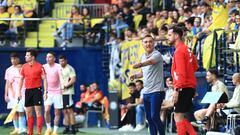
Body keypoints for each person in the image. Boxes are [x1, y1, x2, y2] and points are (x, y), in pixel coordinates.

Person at [130, 34, 165, 135]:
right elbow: (142, 73)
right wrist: (135, 76)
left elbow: (151, 62)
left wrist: (140, 64)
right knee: (149, 118)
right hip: (146, 92)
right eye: (145, 42)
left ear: (154, 43)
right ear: (142, 44)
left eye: (150, 41)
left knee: (154, 116)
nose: (148, 44)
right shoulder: (142, 56)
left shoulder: (157, 54)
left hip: (157, 91)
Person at [167, 25, 198, 135]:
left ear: (176, 36)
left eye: (170, 35)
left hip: (183, 87)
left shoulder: (179, 51)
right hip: (188, 86)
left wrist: (176, 89)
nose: (168, 37)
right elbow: (195, 66)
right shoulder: (187, 49)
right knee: (179, 116)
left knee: (178, 116)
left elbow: (181, 73)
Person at [17, 49, 47, 135]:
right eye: (26, 55)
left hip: (37, 90)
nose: (25, 57)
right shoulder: (24, 66)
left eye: (27, 55)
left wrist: (45, 92)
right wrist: (19, 92)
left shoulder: (40, 67)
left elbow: (44, 79)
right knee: (28, 112)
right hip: (28, 91)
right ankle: (30, 133)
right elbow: (21, 79)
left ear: (32, 57)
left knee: (38, 112)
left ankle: (39, 132)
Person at [5, 53, 26, 135]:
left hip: (22, 94)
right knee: (13, 112)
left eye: (15, 59)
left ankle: (23, 129)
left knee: (21, 111)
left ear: (18, 59)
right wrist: (6, 94)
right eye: (11, 59)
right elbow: (7, 83)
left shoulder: (23, 68)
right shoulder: (8, 70)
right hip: (12, 95)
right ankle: (16, 129)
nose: (13, 60)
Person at [43, 52, 63, 135]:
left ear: (54, 58)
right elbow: (44, 80)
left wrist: (62, 87)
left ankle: (55, 131)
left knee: (57, 113)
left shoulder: (58, 66)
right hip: (48, 93)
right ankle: (49, 129)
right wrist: (45, 91)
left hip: (58, 92)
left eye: (50, 57)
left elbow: (61, 77)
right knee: (47, 110)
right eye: (47, 57)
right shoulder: (43, 67)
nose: (48, 58)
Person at [59, 55, 76, 134]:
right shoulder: (59, 68)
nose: (61, 63)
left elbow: (73, 79)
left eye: (62, 61)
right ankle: (67, 127)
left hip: (68, 92)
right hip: (60, 93)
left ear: (66, 61)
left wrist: (66, 86)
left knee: (69, 110)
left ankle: (72, 128)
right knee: (64, 111)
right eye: (60, 61)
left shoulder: (70, 68)